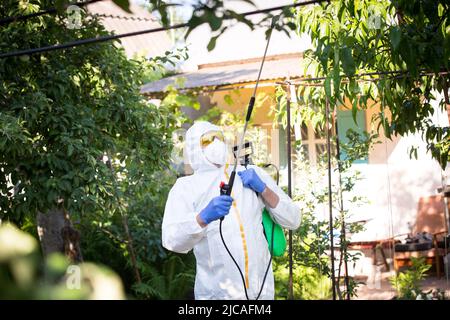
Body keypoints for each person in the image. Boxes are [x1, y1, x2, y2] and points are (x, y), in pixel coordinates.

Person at [162, 121, 300, 299]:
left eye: (218, 137)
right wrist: (202, 218)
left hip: (261, 293)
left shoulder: (251, 173)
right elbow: (171, 240)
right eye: (208, 140)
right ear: (194, 148)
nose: (216, 143)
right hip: (217, 295)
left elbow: (293, 219)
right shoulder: (185, 188)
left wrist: (264, 189)